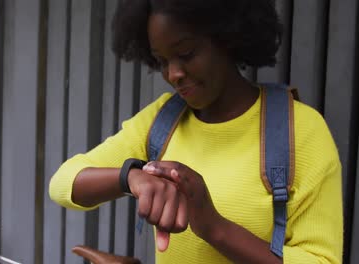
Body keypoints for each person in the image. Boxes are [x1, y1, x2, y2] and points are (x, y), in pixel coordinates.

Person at [49, 0, 343, 263]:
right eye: (162, 61)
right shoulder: (164, 120)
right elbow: (63, 181)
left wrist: (214, 227)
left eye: (186, 53)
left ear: (228, 36)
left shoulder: (299, 131)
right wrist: (131, 176)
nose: (173, 74)